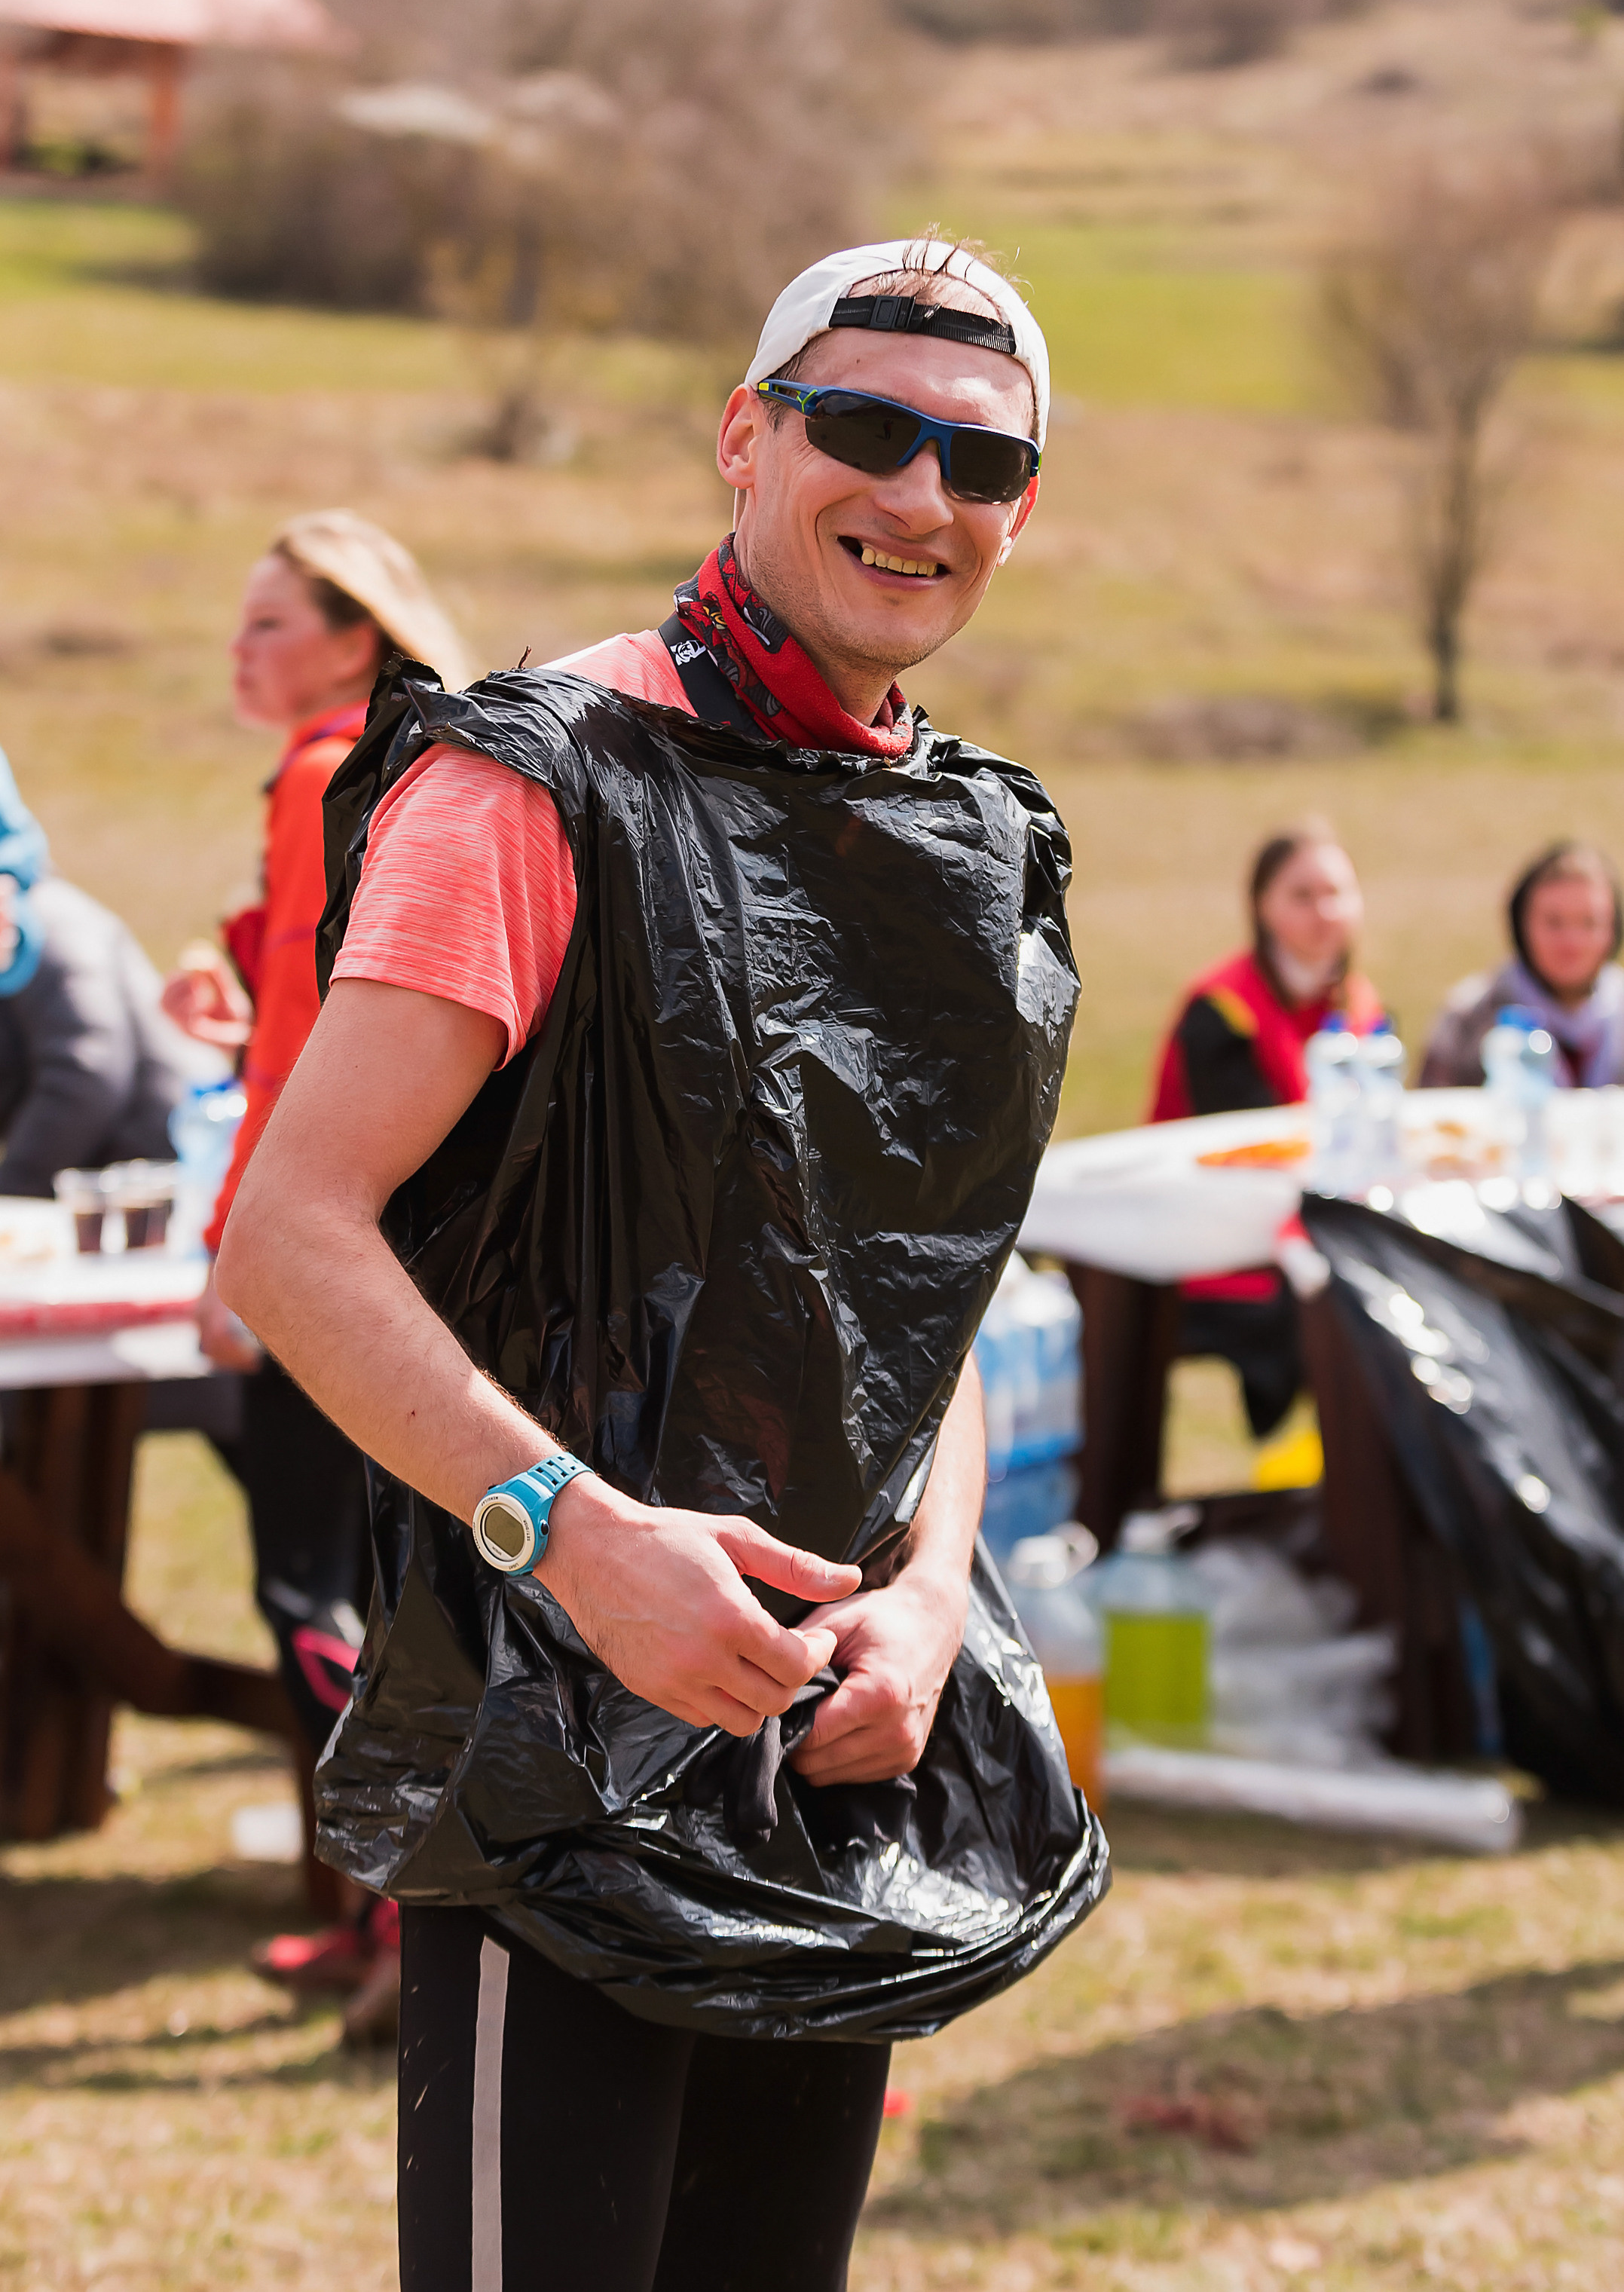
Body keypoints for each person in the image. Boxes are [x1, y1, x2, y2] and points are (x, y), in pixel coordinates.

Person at [216, 237, 1106, 2292]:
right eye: (863, 430)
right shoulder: (528, 781)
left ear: (1021, 508)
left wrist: (932, 1599)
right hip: (555, 1745)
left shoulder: (975, 839)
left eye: (977, 459)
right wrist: (576, 1534)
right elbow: (291, 1229)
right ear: (743, 437)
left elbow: (915, 1290)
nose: (920, 494)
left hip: (834, 1750)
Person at [162, 510, 464, 2024]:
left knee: (305, 1587)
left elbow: (295, 1041)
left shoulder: (315, 775)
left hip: (323, 1245)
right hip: (428, 1248)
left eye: (273, 622)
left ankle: (404, 1912)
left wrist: (241, 1253)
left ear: (358, 637)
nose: (242, 649)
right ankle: (382, 1919)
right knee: (388, 1584)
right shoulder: (433, 761)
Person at [1149, 819, 1386, 1437]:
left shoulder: (1361, 1009)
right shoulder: (1221, 1008)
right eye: (1301, 896)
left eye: (1335, 894)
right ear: (1262, 906)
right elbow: (1241, 1149)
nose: (1322, 913)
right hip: (1214, 1239)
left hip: (1322, 1226)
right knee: (1334, 1306)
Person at [0, 749, 221, 1195]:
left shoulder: (51, 923)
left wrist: (15, 1187)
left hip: (162, 1164)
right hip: (104, 1174)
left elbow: (84, 1068)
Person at [1420, 841, 1624, 1088]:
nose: (1572, 942)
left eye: (1589, 923)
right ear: (1522, 926)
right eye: (1554, 922)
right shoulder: (1468, 1018)